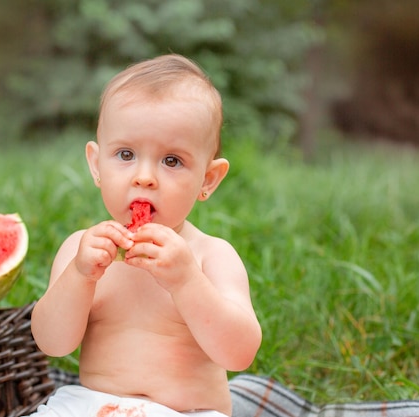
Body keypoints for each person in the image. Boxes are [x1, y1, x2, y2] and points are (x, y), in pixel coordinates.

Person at [29, 54, 262, 417]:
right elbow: (52, 344)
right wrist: (79, 276)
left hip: (188, 412)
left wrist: (187, 282)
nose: (144, 177)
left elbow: (240, 353)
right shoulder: (81, 250)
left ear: (208, 179)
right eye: (125, 154)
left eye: (172, 161)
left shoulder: (211, 256)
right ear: (96, 165)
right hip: (95, 405)